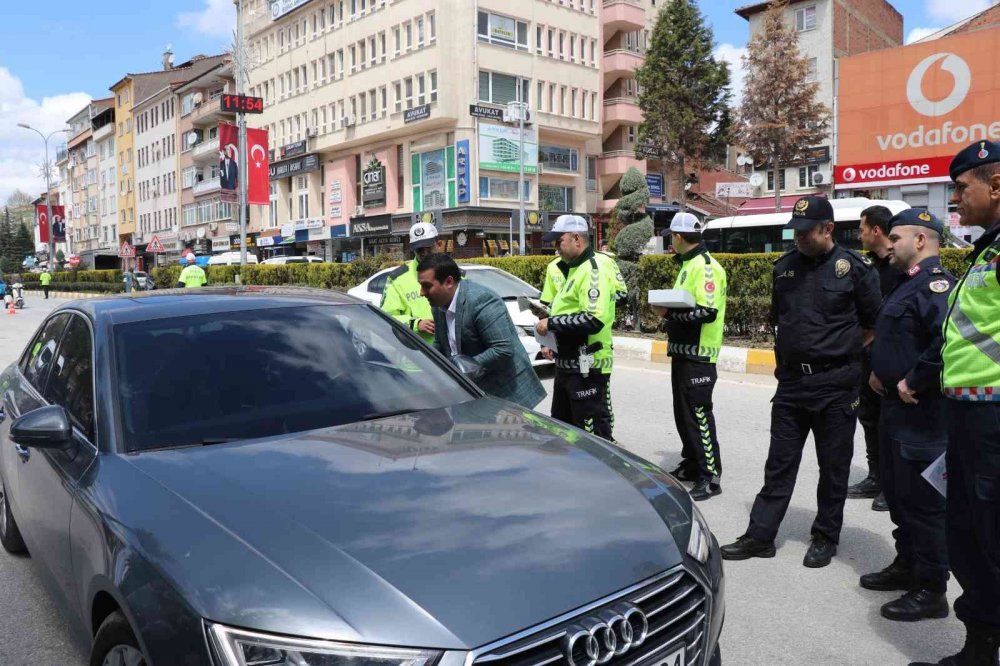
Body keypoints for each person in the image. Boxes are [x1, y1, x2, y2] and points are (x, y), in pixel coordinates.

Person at [721, 195, 881, 568]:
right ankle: (760, 535)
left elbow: (873, 324)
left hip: (835, 386)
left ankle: (825, 535)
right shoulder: (785, 268)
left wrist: (840, 352)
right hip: (792, 385)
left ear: (828, 229)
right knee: (778, 464)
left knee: (833, 466)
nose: (800, 238)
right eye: (795, 232)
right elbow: (781, 319)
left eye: (807, 232)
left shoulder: (854, 268)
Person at [910, 141, 1000, 666]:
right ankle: (980, 649)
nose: (955, 201)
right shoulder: (986, 251)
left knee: (990, 538)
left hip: (992, 417)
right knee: (968, 535)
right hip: (968, 416)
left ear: (995, 185)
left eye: (961, 188)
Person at [863, 208, 953, 623]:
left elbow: (946, 341)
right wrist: (880, 373)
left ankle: (931, 588)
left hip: (921, 414)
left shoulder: (935, 285)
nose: (890, 244)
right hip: (894, 410)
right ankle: (907, 565)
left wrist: (913, 379)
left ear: (920, 240)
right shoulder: (905, 284)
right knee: (899, 497)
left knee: (924, 504)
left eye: (896, 237)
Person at [651, 212, 728, 501]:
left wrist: (668, 312)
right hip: (684, 353)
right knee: (683, 416)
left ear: (679, 237)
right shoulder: (688, 264)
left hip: (700, 355)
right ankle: (694, 462)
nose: (670, 241)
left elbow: (707, 313)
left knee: (698, 416)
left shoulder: (705, 267)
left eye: (671, 236)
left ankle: (710, 476)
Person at [417, 253, 546, 409]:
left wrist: (462, 368)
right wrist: (424, 364)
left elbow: (502, 349)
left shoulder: (481, 300)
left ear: (449, 282)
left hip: (508, 395)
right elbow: (441, 342)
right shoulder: (438, 305)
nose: (421, 292)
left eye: (427, 286)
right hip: (474, 392)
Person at [535, 215, 618, 440]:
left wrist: (551, 323)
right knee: (563, 431)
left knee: (591, 436)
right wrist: (551, 336)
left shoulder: (593, 271)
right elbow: (567, 312)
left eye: (559, 242)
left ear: (576, 239)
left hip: (587, 367)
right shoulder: (571, 269)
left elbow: (593, 320)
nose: (556, 248)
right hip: (567, 364)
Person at [849, 205, 905, 511]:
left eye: (861, 229)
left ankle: (893, 484)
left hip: (892, 359)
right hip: (866, 357)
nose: (859, 235)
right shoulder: (867, 266)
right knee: (869, 418)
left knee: (890, 422)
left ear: (876, 230)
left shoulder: (900, 266)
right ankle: (876, 477)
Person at [380, 221, 440, 344]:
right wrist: (415, 324)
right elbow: (386, 317)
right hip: (416, 356)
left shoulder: (454, 272)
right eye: (419, 250)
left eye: (428, 248)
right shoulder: (397, 279)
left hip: (451, 357)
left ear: (438, 244)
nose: (424, 253)